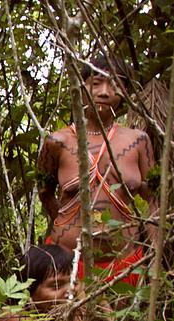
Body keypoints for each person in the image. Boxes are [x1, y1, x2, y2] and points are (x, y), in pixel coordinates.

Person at [37, 54, 156, 286]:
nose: (104, 92)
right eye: (96, 83)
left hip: (124, 264)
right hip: (66, 264)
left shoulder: (139, 141)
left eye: (114, 84)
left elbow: (154, 198)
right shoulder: (57, 142)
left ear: (124, 92)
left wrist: (154, 252)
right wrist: (67, 226)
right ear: (82, 89)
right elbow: (44, 192)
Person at [1, 244, 109, 321]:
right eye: (56, 286)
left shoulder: (61, 316)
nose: (70, 290)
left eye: (73, 283)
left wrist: (103, 302)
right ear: (28, 292)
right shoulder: (13, 316)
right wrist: (81, 308)